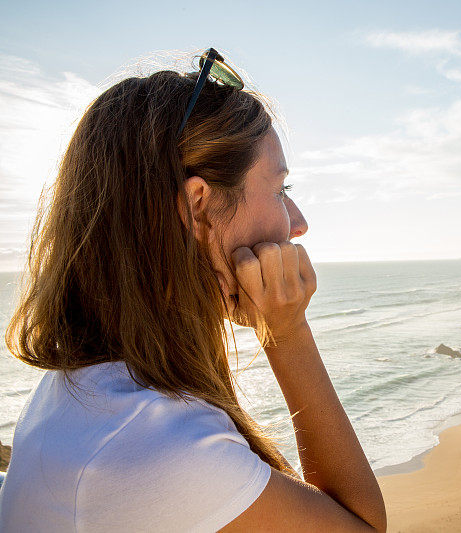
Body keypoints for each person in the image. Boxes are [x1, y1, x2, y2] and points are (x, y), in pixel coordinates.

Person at [0, 50, 387, 532]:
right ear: (197, 205)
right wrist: (287, 334)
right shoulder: (163, 449)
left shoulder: (81, 391)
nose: (299, 224)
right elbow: (363, 527)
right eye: (281, 190)